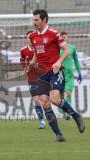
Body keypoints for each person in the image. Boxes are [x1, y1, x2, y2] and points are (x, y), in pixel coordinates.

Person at [28, 9, 85, 142]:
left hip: (55, 72)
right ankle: (58, 135)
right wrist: (33, 62)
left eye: (36, 20)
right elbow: (38, 52)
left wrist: (59, 62)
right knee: (45, 103)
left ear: (44, 20)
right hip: (42, 74)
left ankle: (76, 116)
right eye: (33, 20)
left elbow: (67, 50)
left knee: (54, 99)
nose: (34, 22)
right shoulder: (33, 36)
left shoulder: (54, 34)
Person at [20, 30, 46, 129]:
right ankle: (42, 121)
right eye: (28, 37)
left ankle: (50, 117)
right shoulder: (23, 50)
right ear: (27, 39)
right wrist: (25, 68)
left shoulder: (40, 49)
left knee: (44, 100)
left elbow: (45, 62)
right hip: (31, 78)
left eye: (32, 36)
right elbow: (22, 60)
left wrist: (36, 65)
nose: (30, 38)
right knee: (36, 100)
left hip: (43, 77)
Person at [58, 32, 82, 120]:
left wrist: (79, 73)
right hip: (60, 75)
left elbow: (76, 61)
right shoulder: (57, 49)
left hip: (70, 75)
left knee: (68, 94)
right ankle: (63, 113)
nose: (64, 38)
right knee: (60, 97)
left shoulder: (72, 48)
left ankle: (68, 114)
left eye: (65, 37)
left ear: (67, 38)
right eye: (62, 37)